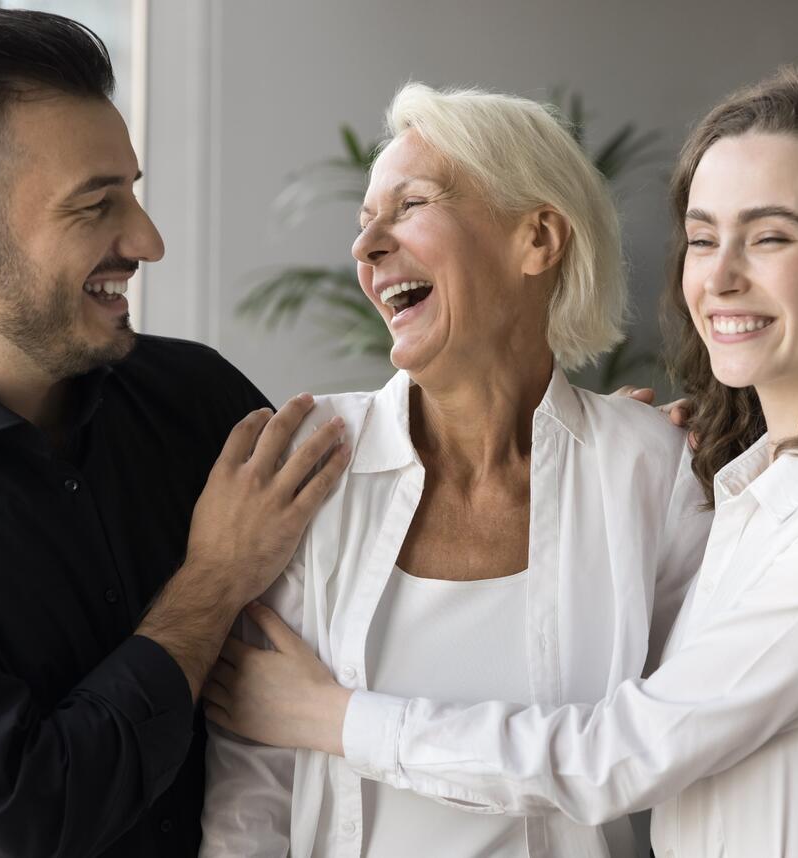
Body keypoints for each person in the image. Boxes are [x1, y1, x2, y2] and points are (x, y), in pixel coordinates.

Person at [211, 66, 798, 858]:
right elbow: (250, 790)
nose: (720, 275)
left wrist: (332, 717)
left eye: (769, 236)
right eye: (701, 238)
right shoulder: (734, 488)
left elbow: (624, 752)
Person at [0, 9, 347, 857]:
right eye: (97, 205)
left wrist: (583, 452)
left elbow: (370, 578)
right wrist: (212, 579)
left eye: (132, 190)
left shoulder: (195, 396)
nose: (147, 239)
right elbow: (32, 812)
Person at [198, 84, 711, 858]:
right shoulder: (312, 462)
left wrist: (334, 716)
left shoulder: (649, 471)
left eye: (409, 205)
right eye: (364, 220)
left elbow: (683, 747)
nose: (366, 249)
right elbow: (252, 786)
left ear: (537, 238)